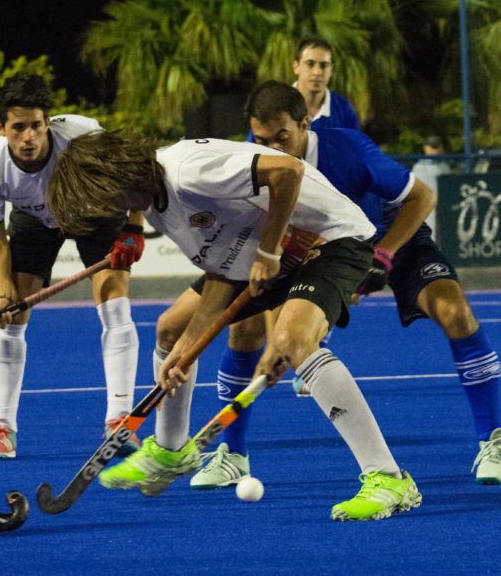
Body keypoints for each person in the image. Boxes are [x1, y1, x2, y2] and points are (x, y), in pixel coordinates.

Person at [48, 128, 422, 522]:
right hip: (273, 252)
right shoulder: (158, 206)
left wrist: (268, 251)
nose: (102, 210)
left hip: (330, 238)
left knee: (293, 338)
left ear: (114, 175)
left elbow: (288, 172)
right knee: (172, 330)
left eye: (99, 198)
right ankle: (171, 450)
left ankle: (389, 478)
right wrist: (187, 349)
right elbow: (222, 272)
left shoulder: (186, 170)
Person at [175, 82, 501, 491]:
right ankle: (232, 454)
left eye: (282, 138)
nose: (272, 149)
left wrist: (383, 255)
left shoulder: (347, 148)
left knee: (454, 312)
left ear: (304, 125)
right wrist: (277, 337)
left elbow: (422, 198)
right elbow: (271, 248)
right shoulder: (255, 161)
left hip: (391, 237)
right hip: (321, 250)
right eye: (262, 140)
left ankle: (495, 440)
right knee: (244, 328)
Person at [0, 73, 144, 460]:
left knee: (115, 303)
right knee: (12, 314)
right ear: (0, 128)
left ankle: (120, 422)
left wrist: (134, 227)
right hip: (34, 221)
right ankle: (1, 429)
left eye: (36, 125)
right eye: (18, 128)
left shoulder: (83, 136)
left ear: (48, 121)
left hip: (94, 212)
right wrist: (1, 294)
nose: (29, 137)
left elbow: (134, 172)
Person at [292, 34, 360, 131]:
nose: (317, 72)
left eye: (323, 65)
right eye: (310, 64)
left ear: (331, 70)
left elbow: (354, 140)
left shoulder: (344, 109)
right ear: (296, 67)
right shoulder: (279, 105)